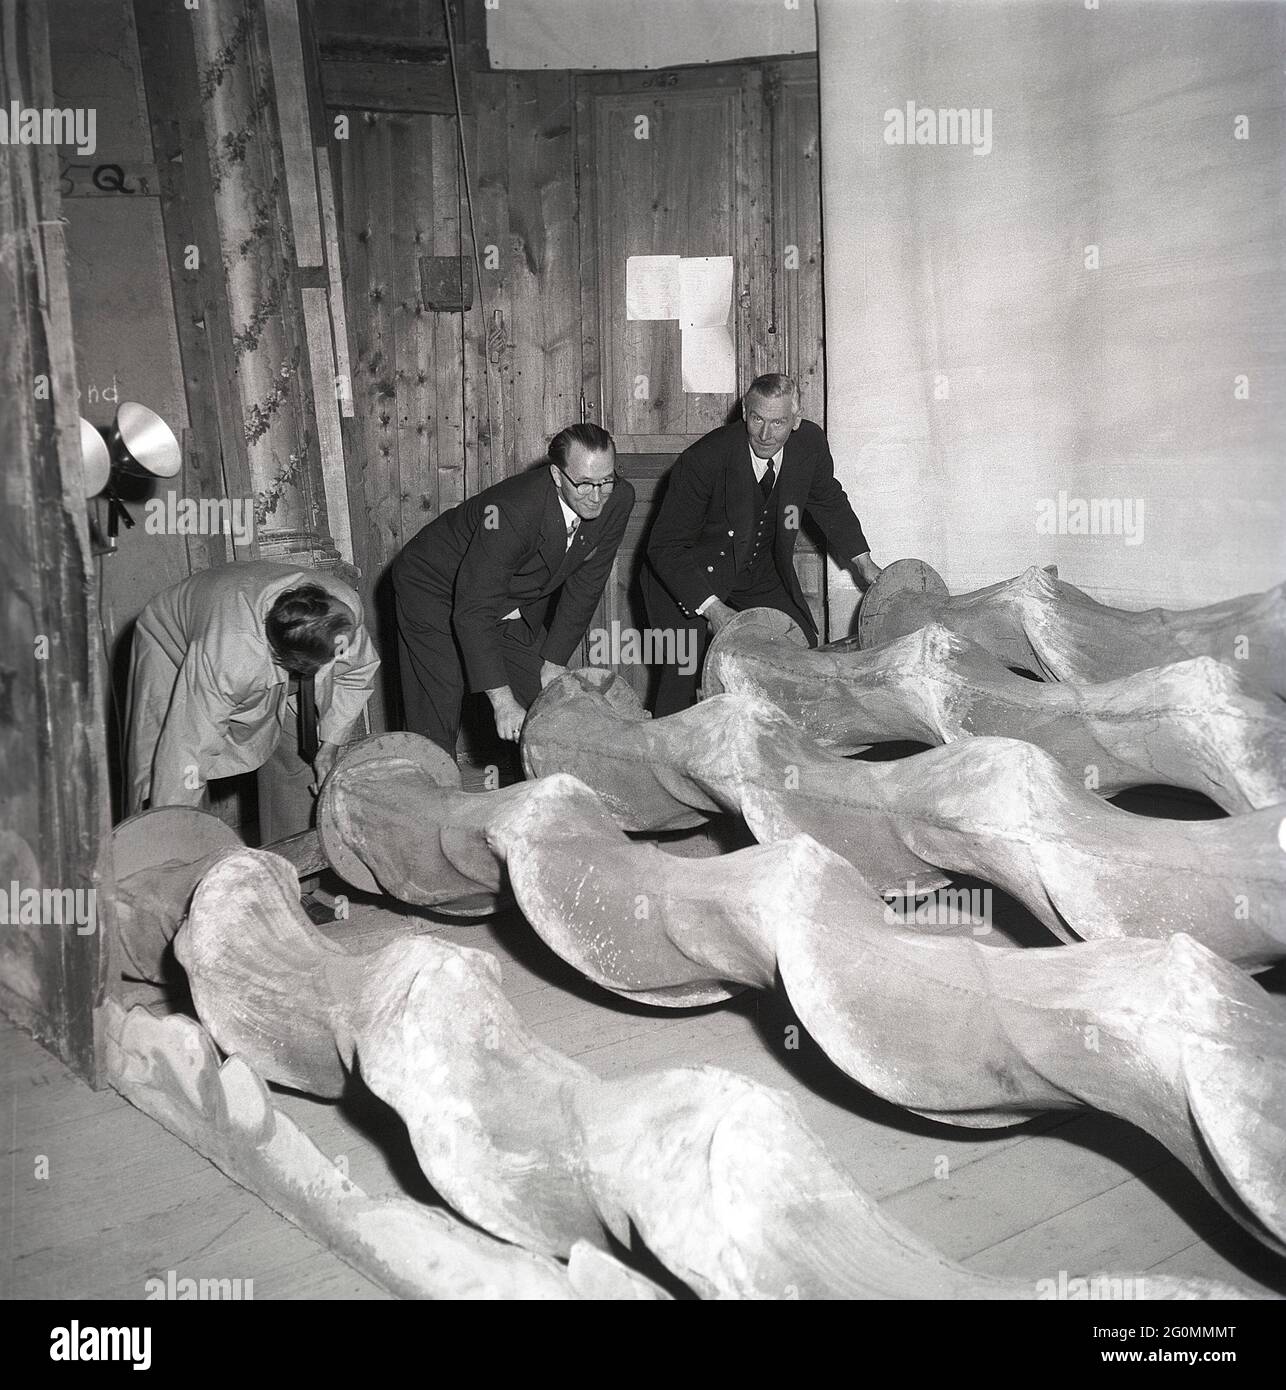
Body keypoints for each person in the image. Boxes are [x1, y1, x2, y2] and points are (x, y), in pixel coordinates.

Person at [641, 372, 882, 715]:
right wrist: (712, 609)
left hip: (756, 571)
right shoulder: (705, 459)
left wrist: (862, 561)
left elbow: (828, 499)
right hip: (686, 577)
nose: (766, 434)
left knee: (796, 648)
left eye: (779, 422)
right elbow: (664, 547)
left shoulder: (809, 443)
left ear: (796, 421)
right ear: (744, 412)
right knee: (684, 671)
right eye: (757, 419)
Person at [392, 422, 634, 757]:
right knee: (441, 700)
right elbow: (474, 609)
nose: (597, 496)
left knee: (547, 697)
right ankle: (430, 790)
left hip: (505, 596)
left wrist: (553, 661)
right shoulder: (513, 509)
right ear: (556, 476)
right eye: (584, 484)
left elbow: (588, 583)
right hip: (434, 587)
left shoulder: (619, 500)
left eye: (606, 480)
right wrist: (502, 702)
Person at [124, 561, 379, 841]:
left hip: (258, 631)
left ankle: (293, 874)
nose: (346, 647)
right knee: (168, 769)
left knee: (301, 750)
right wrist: (176, 818)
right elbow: (189, 748)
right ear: (292, 663)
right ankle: (169, 855)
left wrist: (329, 747)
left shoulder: (341, 610)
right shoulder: (229, 654)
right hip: (171, 641)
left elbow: (354, 672)